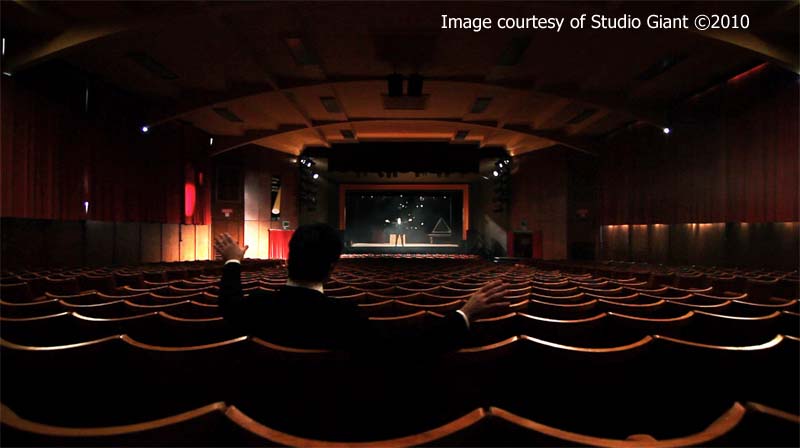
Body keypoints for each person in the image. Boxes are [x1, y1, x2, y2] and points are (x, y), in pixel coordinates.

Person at [215, 223, 509, 352]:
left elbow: (229, 303)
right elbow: (413, 346)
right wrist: (465, 313)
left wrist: (232, 263)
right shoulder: (343, 317)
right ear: (333, 266)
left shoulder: (256, 306)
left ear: (289, 258)